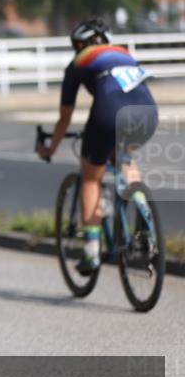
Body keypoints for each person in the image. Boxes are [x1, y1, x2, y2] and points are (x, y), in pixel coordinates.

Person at [38, 18, 159, 275]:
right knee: (124, 158)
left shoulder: (78, 63)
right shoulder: (124, 54)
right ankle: (145, 213)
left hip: (108, 114)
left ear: (81, 44)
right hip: (148, 112)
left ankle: (91, 251)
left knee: (91, 178)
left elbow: (65, 118)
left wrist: (50, 149)